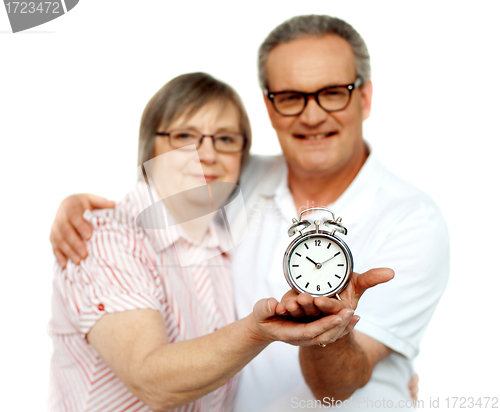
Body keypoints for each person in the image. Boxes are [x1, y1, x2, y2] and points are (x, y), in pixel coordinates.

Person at [50, 15, 449, 411]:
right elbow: (170, 178)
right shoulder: (238, 179)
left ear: (364, 98)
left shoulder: (413, 222)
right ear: (270, 108)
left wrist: (331, 329)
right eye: (291, 97)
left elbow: (337, 388)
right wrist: (79, 206)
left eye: (332, 92)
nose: (312, 116)